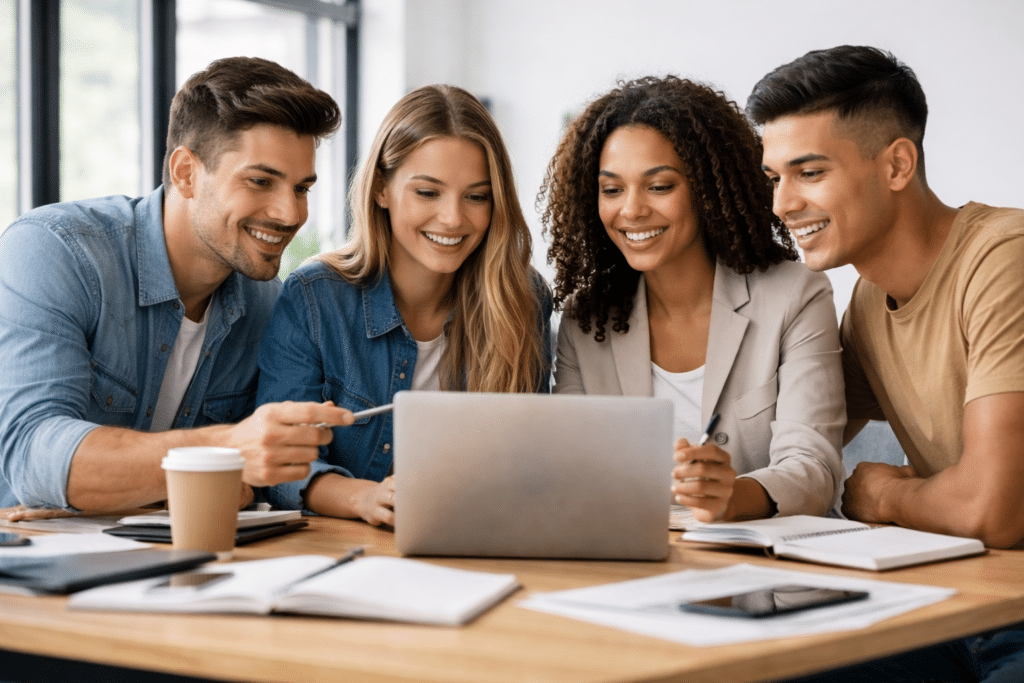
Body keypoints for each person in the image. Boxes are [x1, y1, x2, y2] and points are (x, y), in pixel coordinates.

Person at [750, 44, 1024, 683]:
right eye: (774, 178)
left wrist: (887, 493)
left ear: (897, 163)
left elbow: (993, 510)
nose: (782, 204)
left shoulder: (1003, 259)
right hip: (963, 605)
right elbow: (789, 447)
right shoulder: (869, 302)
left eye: (809, 172)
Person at [0, 56, 352, 517]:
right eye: (260, 181)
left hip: (161, 561)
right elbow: (33, 456)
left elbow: (249, 487)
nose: (289, 214)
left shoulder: (264, 303)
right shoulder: (55, 252)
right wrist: (225, 448)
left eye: (301, 188)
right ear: (186, 172)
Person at [540, 75, 844, 523]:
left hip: (761, 567)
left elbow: (813, 470)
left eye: (660, 186)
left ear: (707, 188)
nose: (632, 209)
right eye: (611, 189)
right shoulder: (588, 321)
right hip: (632, 561)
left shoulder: (794, 296)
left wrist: (731, 496)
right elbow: (573, 467)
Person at [255, 84, 553, 526]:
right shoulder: (316, 299)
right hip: (348, 550)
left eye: (476, 196)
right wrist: (364, 498)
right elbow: (280, 467)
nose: (453, 218)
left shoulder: (521, 299)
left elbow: (535, 459)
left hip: (478, 542)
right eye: (428, 193)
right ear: (381, 189)